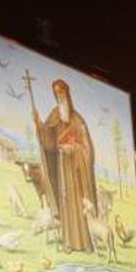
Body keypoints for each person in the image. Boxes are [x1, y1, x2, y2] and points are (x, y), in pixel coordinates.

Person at [33, 79, 97, 253]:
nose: (59, 96)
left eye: (61, 92)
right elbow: (49, 143)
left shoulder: (78, 120)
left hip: (76, 170)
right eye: (56, 93)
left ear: (67, 93)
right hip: (61, 168)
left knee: (77, 202)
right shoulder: (54, 115)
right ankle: (68, 243)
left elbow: (87, 150)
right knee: (66, 203)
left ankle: (84, 243)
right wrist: (39, 125)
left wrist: (74, 149)